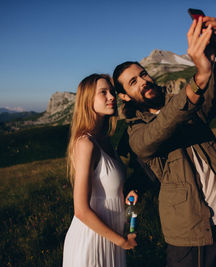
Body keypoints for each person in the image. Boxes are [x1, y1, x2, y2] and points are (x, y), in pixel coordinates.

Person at [113, 16, 216, 266]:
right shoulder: (136, 133)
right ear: (125, 96)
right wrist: (199, 78)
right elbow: (160, 130)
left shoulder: (185, 103)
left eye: (143, 74)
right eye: (133, 82)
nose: (144, 81)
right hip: (191, 234)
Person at [63, 74, 138, 267]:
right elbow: (80, 210)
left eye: (112, 92)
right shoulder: (85, 143)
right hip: (91, 242)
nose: (112, 97)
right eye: (103, 93)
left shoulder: (104, 140)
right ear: (88, 100)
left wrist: (126, 193)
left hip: (110, 239)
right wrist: (122, 241)